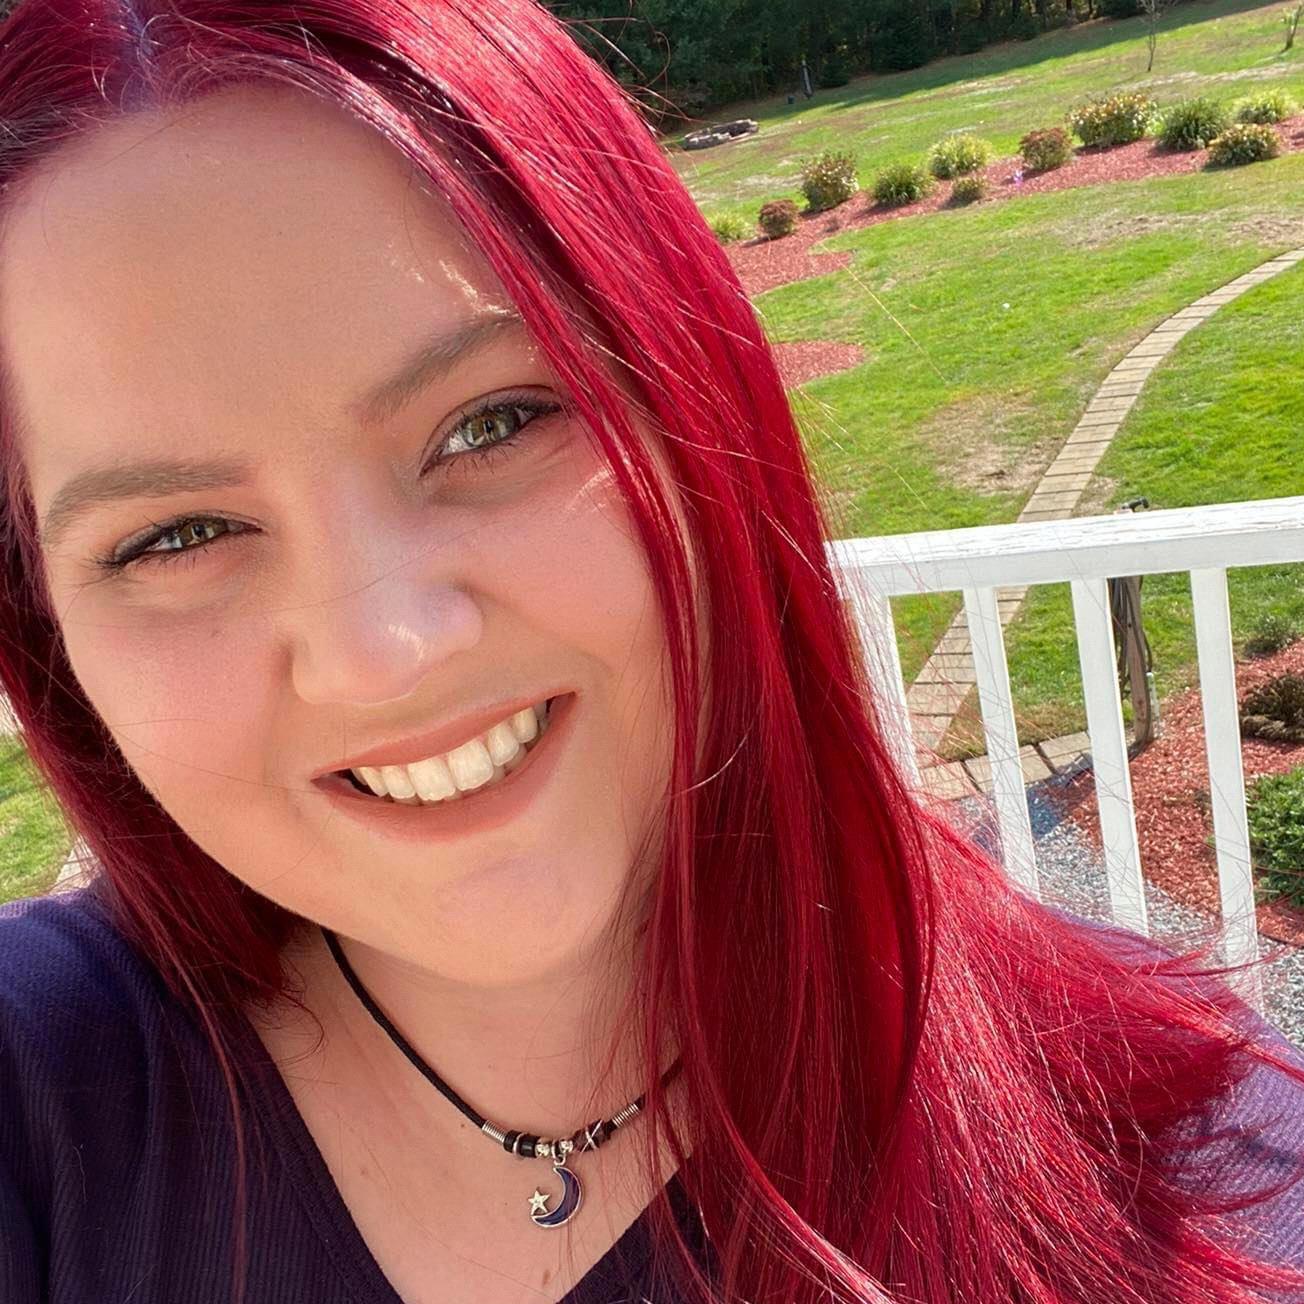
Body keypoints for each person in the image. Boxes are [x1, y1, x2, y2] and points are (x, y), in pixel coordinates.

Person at [0, 3, 1302, 1303]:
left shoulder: (1204, 1181)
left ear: (692, 405)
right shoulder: (38, 1093)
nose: (382, 653)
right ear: (49, 631)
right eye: (175, 537)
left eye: (491, 423)